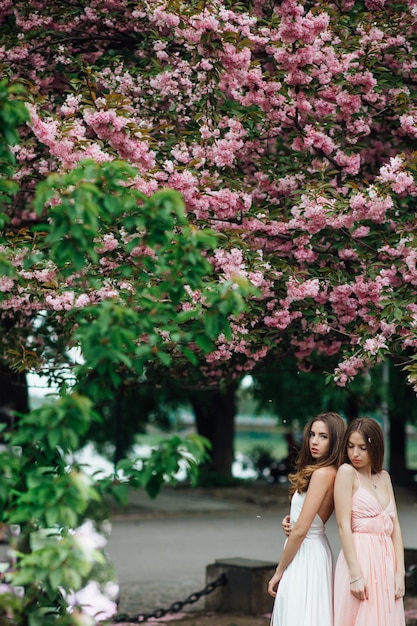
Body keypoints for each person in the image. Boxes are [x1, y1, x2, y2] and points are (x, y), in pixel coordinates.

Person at [267, 411, 346, 626]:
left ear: (335, 441)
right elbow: (307, 520)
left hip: (306, 552)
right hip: (310, 547)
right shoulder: (329, 471)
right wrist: (290, 520)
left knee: (298, 614)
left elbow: (302, 530)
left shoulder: (323, 474)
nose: (314, 441)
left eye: (323, 436)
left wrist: (279, 571)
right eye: (312, 434)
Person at [333, 417, 406, 626]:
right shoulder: (347, 473)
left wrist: (399, 572)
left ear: (375, 447)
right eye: (351, 446)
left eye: (362, 448)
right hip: (360, 559)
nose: (355, 454)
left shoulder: (384, 477)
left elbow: (396, 527)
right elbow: (343, 526)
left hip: (386, 561)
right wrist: (355, 574)